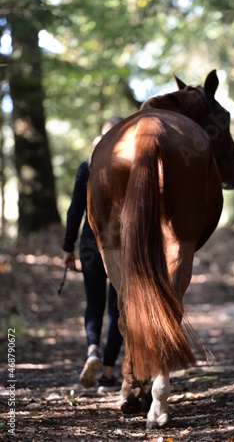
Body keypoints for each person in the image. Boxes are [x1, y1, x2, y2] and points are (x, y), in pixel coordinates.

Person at [62, 117, 123, 392]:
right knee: (117, 308)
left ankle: (92, 352)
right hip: (120, 245)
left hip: (88, 244)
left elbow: (74, 211)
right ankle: (108, 375)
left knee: (94, 303)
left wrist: (67, 247)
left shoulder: (87, 166)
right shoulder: (128, 167)